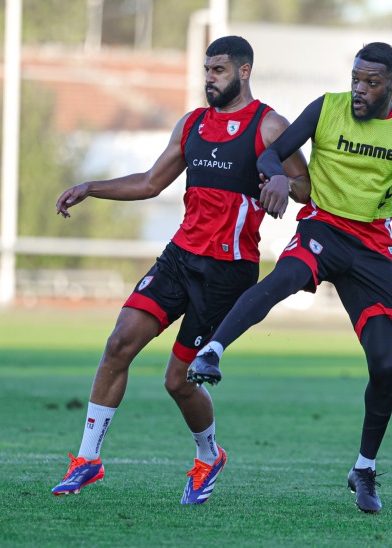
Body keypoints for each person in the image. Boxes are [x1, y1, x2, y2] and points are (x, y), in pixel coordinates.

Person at [187, 42, 392, 514]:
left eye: (371, 83)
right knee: (283, 277)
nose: (359, 90)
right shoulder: (326, 109)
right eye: (355, 79)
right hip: (323, 226)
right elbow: (270, 157)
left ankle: (364, 468)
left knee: (385, 365)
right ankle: (213, 350)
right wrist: (279, 179)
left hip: (371, 251)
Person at [51, 35, 310, 504]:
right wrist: (90, 187)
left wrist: (278, 179)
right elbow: (150, 183)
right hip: (180, 258)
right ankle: (87, 459)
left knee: (177, 380)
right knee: (118, 343)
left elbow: (304, 186)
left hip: (228, 273)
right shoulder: (192, 124)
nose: (209, 79)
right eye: (206, 70)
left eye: (219, 71)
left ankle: (209, 456)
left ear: (244, 72)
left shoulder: (269, 126)